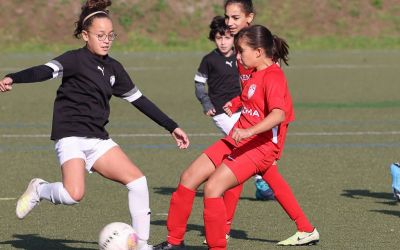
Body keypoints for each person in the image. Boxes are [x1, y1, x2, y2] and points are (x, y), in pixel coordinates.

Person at [0, 1, 189, 250]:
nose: (106, 40)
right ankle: (40, 189)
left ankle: (142, 246)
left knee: (138, 182)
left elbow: (139, 100)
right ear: (85, 35)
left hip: (98, 140)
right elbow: (45, 71)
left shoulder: (114, 68)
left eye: (111, 35)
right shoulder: (74, 59)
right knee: (73, 195)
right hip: (70, 136)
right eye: (100, 35)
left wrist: (171, 126)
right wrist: (15, 77)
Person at [154, 25, 319, 250]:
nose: (238, 56)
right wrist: (236, 103)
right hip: (237, 140)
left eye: (241, 51)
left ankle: (217, 246)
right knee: (189, 176)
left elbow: (279, 114)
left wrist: (250, 131)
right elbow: (250, 97)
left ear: (259, 52)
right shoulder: (254, 73)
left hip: (259, 147)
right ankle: (175, 242)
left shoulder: (274, 76)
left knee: (213, 188)